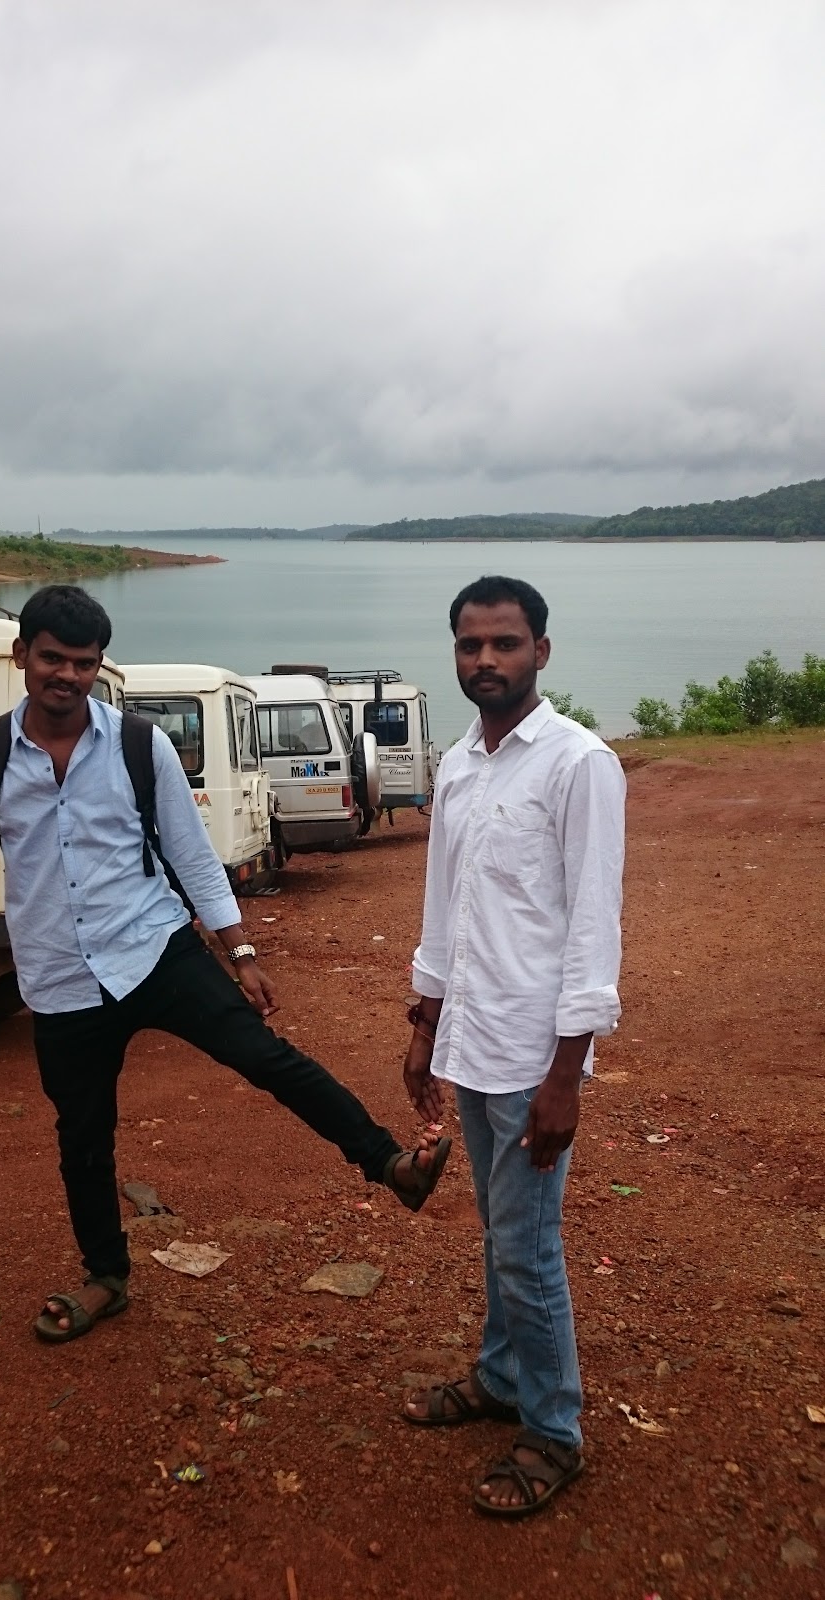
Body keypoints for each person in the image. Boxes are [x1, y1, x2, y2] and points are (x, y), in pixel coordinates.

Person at [0, 585, 450, 1344]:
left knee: (269, 1059)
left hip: (155, 950)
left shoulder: (139, 746)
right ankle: (106, 1276)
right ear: (22, 657)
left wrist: (240, 952)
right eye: (52, 659)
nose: (68, 677)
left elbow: (191, 855)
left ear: (97, 666)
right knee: (82, 1135)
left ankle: (388, 1166)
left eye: (84, 663)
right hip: (59, 976)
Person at [401, 575, 625, 1518]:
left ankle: (555, 1429)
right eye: (469, 646)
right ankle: (500, 1379)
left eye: (505, 643)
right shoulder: (460, 765)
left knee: (528, 1250)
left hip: (537, 1054)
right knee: (502, 1236)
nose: (485, 660)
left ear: (541, 650)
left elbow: (592, 929)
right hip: (472, 1038)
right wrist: (424, 1024)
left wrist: (565, 1078)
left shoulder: (579, 764)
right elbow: (444, 908)